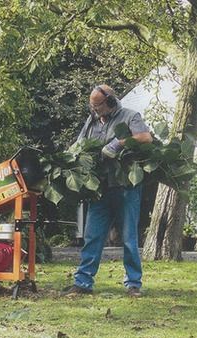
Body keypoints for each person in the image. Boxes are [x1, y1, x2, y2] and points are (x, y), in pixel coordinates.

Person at [63, 85, 153, 297]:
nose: (95, 111)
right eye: (92, 106)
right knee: (92, 236)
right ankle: (83, 282)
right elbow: (80, 144)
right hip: (101, 189)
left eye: (98, 106)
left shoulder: (130, 116)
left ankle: (133, 284)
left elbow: (146, 137)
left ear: (111, 101)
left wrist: (119, 143)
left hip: (126, 188)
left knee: (129, 237)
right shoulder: (92, 121)